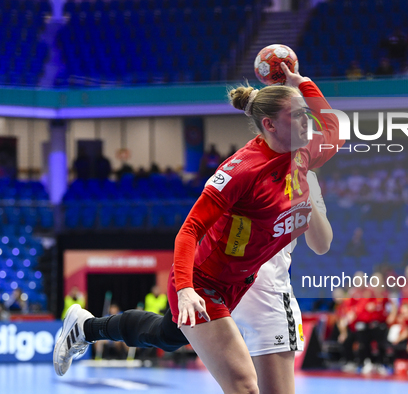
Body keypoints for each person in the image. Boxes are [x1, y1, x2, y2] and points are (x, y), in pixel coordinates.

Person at [54, 63, 343, 394]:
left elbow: (336, 130)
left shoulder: (303, 152)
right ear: (270, 124)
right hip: (203, 283)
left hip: (237, 282)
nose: (309, 123)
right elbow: (189, 229)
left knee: (167, 334)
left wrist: (302, 83)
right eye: (298, 117)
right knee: (245, 387)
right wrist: (187, 289)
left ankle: (86, 326)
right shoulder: (242, 172)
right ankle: (89, 326)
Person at [230, 170, 332, 394]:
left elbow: (321, 244)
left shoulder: (308, 177)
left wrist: (303, 187)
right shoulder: (242, 166)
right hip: (225, 290)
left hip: (266, 296)